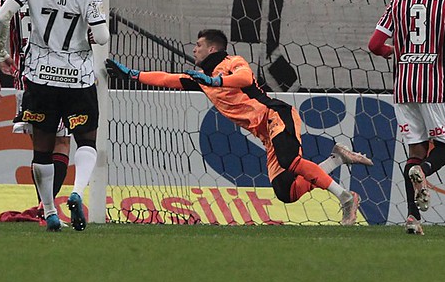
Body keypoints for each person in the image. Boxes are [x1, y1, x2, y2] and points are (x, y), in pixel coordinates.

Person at [106, 29, 373, 226]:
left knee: (291, 161)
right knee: (286, 191)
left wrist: (216, 80)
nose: (194, 49)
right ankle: (337, 158)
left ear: (212, 48)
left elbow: (244, 77)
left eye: (199, 45)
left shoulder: (233, 62)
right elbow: (166, 78)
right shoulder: (201, 80)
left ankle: (346, 198)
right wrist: (132, 74)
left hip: (276, 115)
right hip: (266, 135)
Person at [0, 0, 109, 232]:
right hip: (79, 78)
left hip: (40, 76)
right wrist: (87, 36)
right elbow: (101, 35)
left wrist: (1, 54)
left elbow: (4, 17)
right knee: (85, 140)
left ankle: (49, 211)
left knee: (42, 149)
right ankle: (76, 192)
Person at [368, 0, 445, 236]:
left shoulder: (398, 1)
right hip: (435, 86)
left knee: (415, 151)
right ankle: (423, 171)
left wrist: (394, 52)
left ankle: (413, 218)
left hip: (404, 86)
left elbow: (375, 44)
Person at [0, 0, 71, 220]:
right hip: (63, 74)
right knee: (62, 143)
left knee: (40, 145)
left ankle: (45, 208)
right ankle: (48, 208)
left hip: (28, 78)